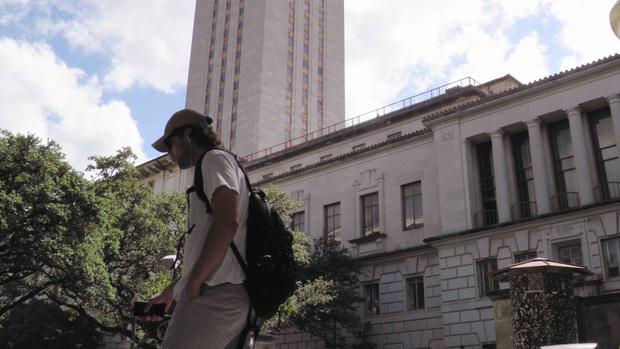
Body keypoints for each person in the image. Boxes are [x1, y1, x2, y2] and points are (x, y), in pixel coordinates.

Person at [147, 108, 250, 348]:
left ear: (188, 135)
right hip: (229, 294)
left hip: (214, 294)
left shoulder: (214, 159)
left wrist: (194, 283)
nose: (170, 154)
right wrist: (172, 291)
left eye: (170, 145)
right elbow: (213, 242)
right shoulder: (220, 163)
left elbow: (227, 222)